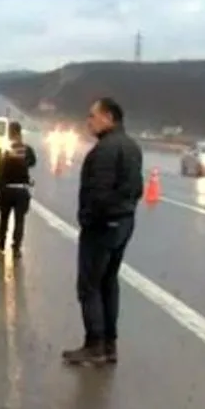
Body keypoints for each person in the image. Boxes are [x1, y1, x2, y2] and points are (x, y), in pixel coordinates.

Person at [63, 97, 143, 365]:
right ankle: (110, 345)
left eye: (92, 116)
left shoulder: (105, 151)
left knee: (89, 285)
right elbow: (138, 188)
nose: (89, 121)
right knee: (109, 282)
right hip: (124, 223)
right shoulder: (132, 147)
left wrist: (88, 219)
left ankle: (94, 344)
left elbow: (98, 194)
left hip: (102, 227)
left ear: (108, 117)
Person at [0, 120, 37, 256]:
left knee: (4, 218)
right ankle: (16, 247)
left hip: (6, 189)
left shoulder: (3, 149)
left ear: (9, 132)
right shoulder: (26, 149)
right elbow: (32, 162)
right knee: (19, 220)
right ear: (20, 132)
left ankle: (1, 242)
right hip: (21, 190)